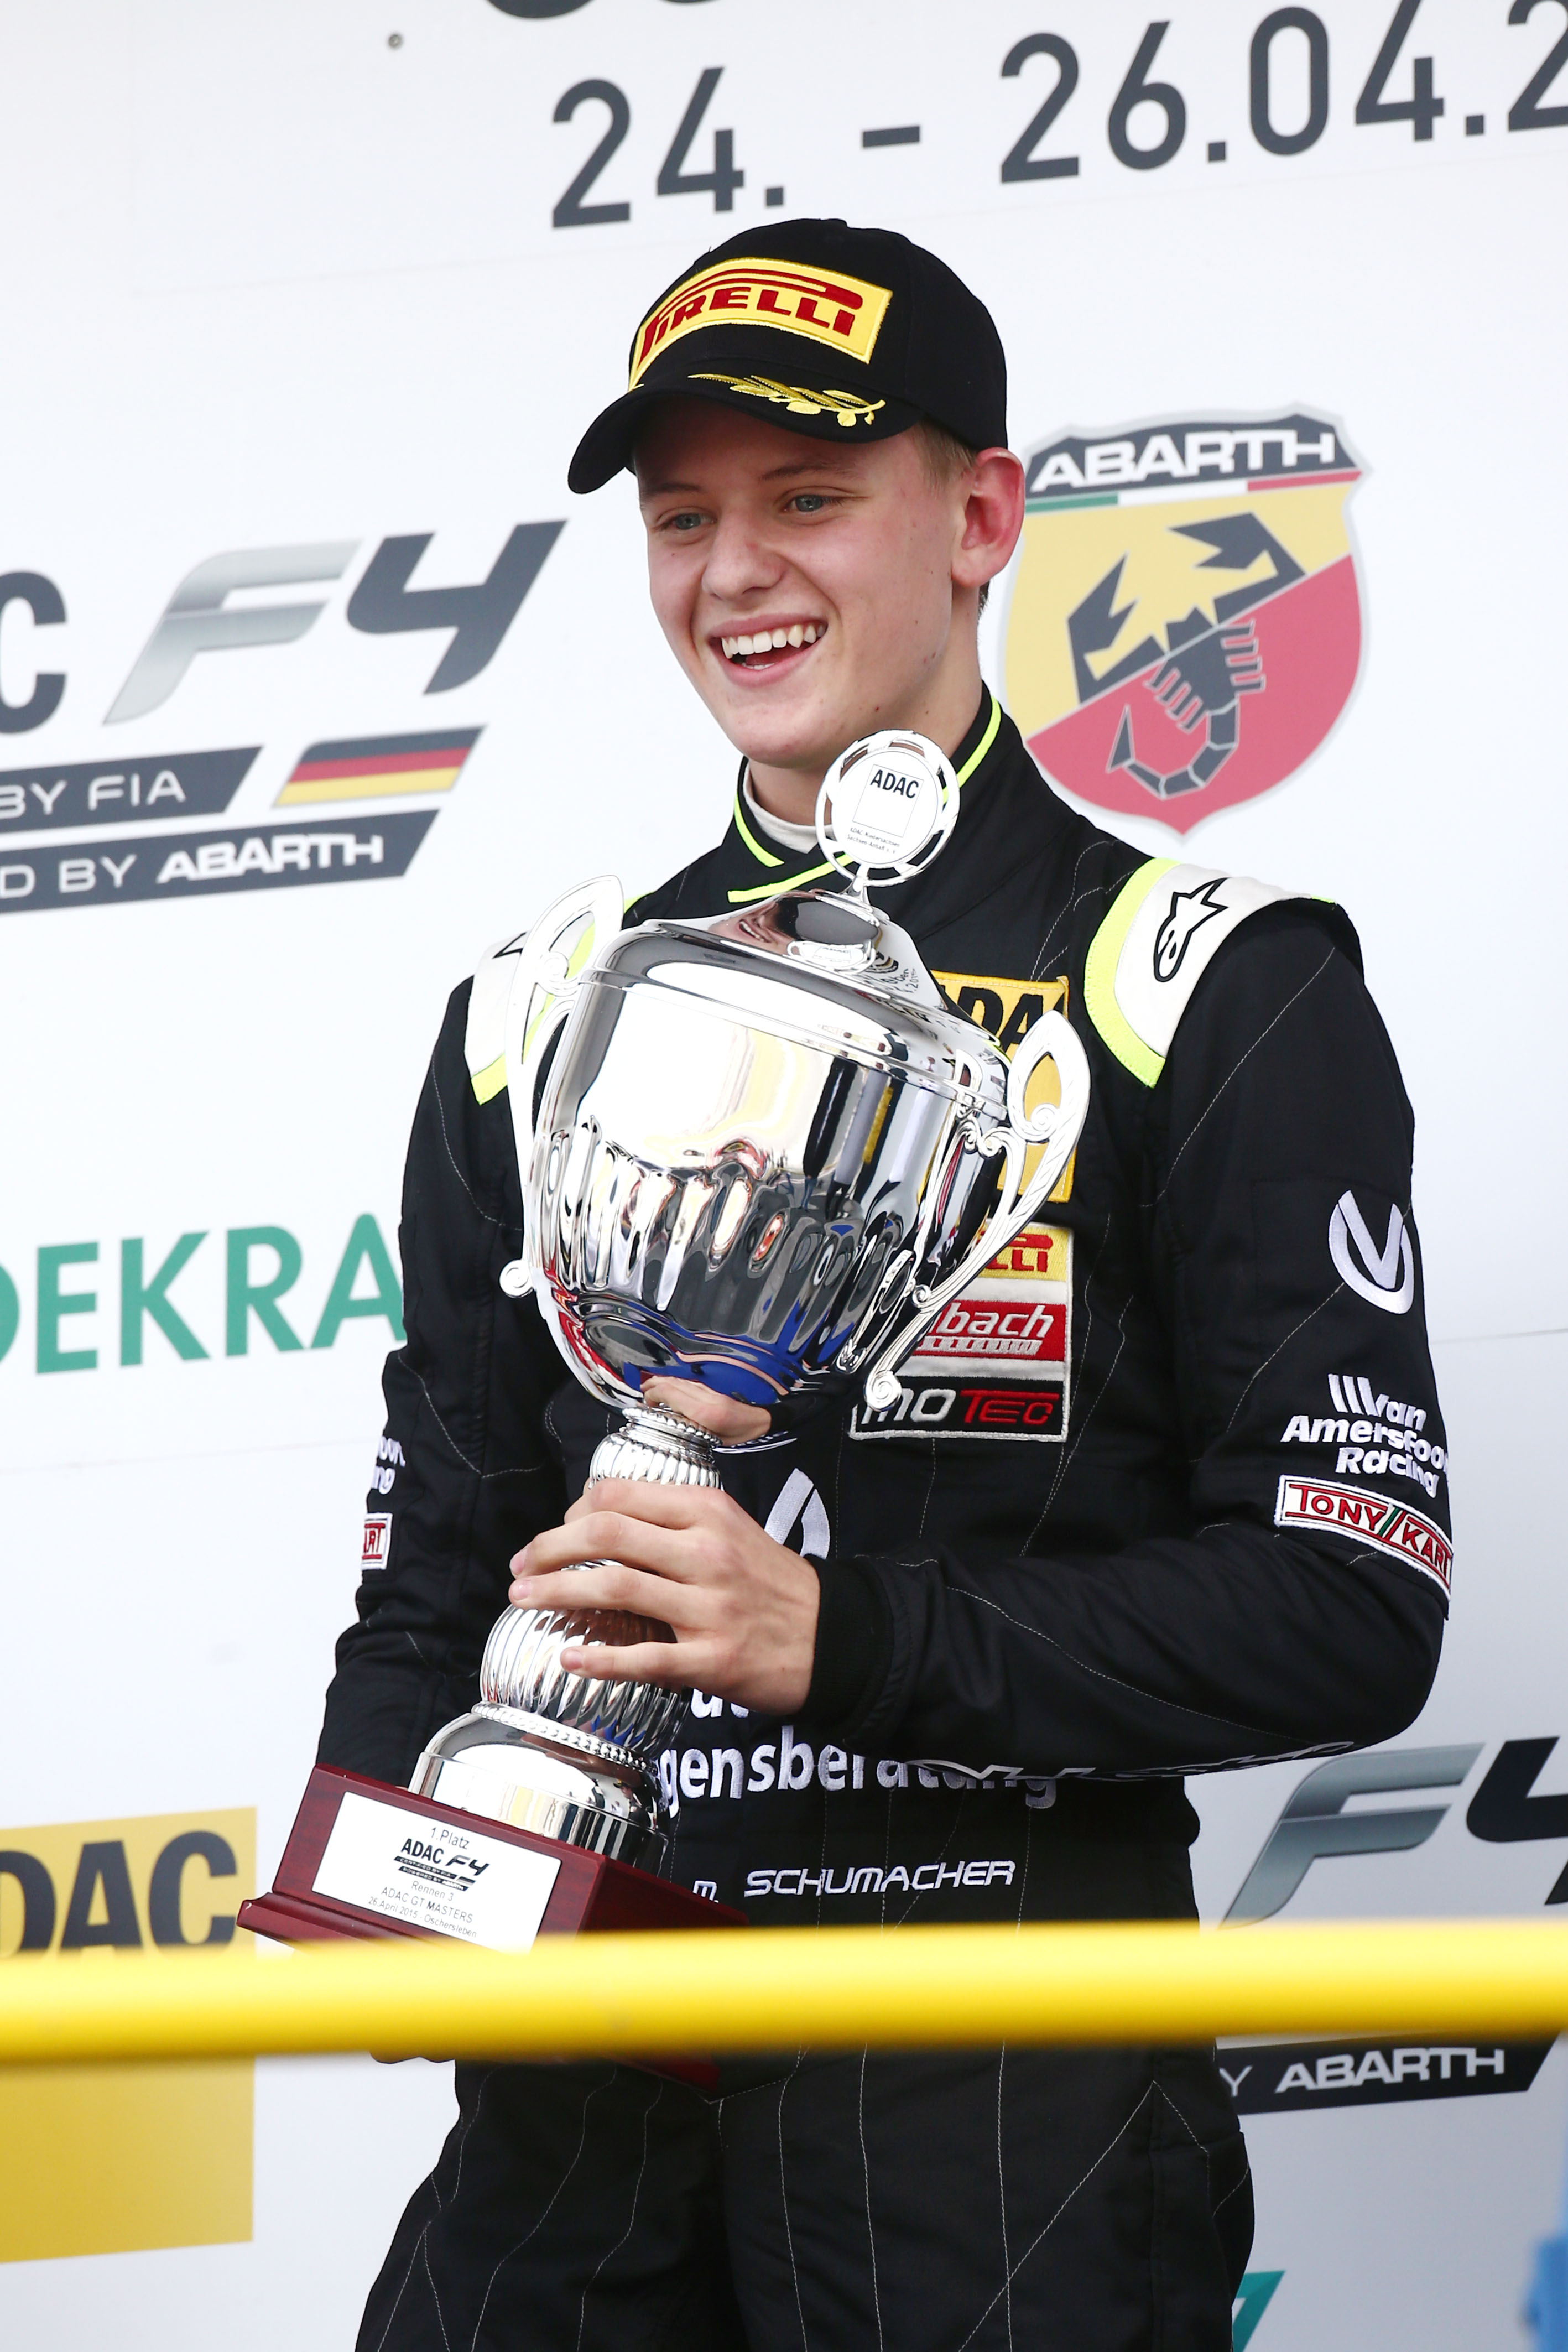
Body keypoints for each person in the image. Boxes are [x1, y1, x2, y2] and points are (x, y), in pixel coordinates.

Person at [320, 220, 1449, 2350]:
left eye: (809, 496)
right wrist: (394, 1874)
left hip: (996, 2075)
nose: (733, 571)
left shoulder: (1207, 984)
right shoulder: (535, 1010)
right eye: (682, 518)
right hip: (583, 2084)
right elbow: (440, 1566)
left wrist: (837, 1639)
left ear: (982, 517)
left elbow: (1346, 1599)